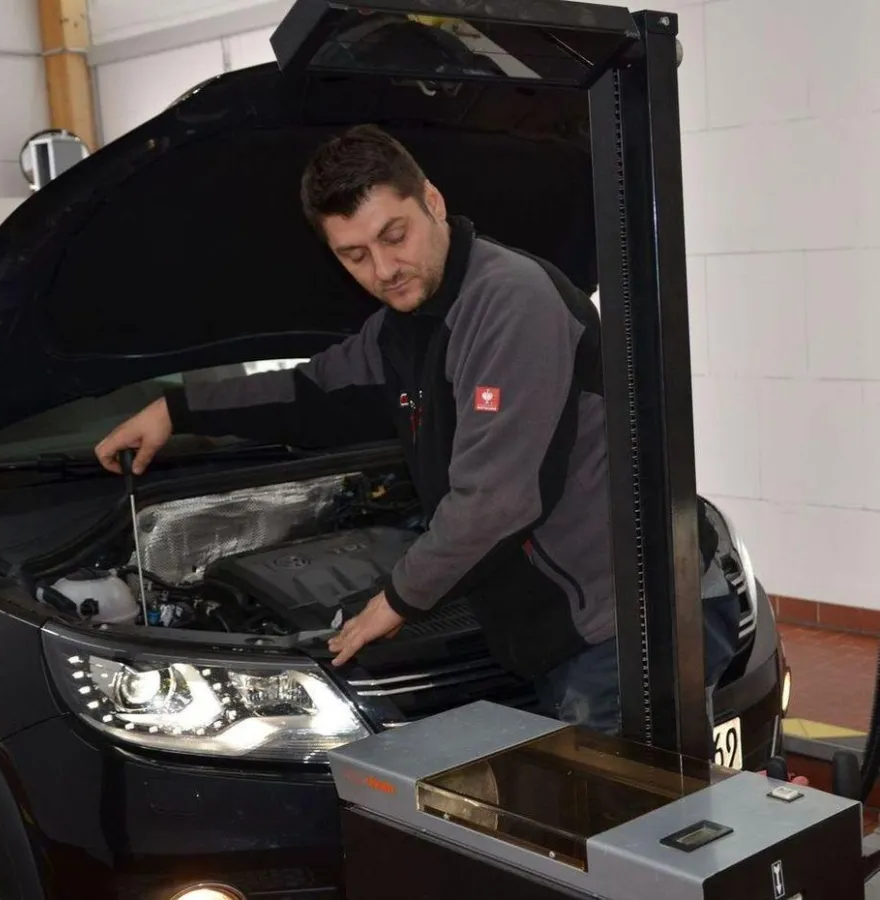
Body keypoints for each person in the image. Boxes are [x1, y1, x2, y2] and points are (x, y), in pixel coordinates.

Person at [95, 124, 732, 737]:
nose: (383, 269)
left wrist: (393, 601)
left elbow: (496, 499)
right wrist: (176, 410)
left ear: (432, 201)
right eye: (355, 255)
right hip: (553, 629)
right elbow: (311, 392)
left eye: (393, 236)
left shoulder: (508, 301)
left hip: (627, 622)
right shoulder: (406, 324)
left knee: (626, 835)